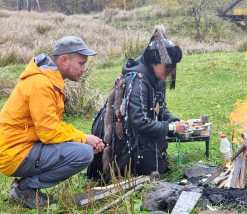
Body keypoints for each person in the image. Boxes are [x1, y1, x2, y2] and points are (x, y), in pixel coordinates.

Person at [0, 36, 105, 208]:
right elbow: (48, 132)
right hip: (15, 152)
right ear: (64, 60)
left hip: (23, 146)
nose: (83, 69)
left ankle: (25, 187)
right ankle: (25, 189)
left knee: (80, 148)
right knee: (84, 153)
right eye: (81, 63)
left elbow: (49, 125)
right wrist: (83, 138)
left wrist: (79, 137)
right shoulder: (41, 84)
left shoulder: (48, 80)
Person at [87, 26, 187, 180]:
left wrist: (174, 121)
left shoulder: (156, 78)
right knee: (152, 167)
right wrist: (171, 127)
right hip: (123, 138)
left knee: (159, 166)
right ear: (154, 62)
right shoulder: (138, 80)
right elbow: (138, 121)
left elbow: (160, 108)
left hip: (138, 134)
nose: (170, 71)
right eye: (167, 66)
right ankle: (116, 168)